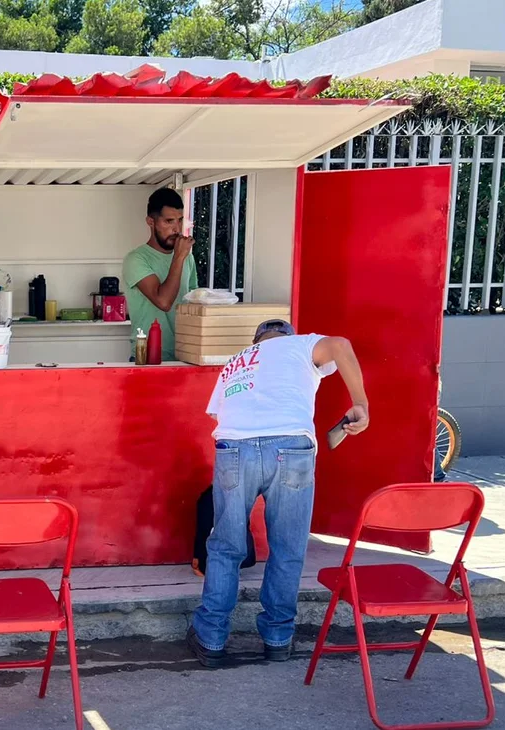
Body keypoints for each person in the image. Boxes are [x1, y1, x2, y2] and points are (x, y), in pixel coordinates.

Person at [188, 320, 369, 667]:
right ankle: (277, 638)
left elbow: (219, 413)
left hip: (235, 449)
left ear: (256, 341)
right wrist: (361, 403)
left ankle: (210, 639)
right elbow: (341, 343)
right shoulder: (300, 345)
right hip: (291, 448)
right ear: (288, 335)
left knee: (225, 547)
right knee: (287, 548)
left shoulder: (237, 361)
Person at [123, 188, 197, 363]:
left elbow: (193, 302)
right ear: (151, 222)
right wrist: (179, 257)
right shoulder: (136, 259)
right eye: (169, 221)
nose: (176, 228)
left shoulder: (187, 257)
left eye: (180, 221)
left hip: (185, 355)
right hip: (148, 358)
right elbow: (163, 301)